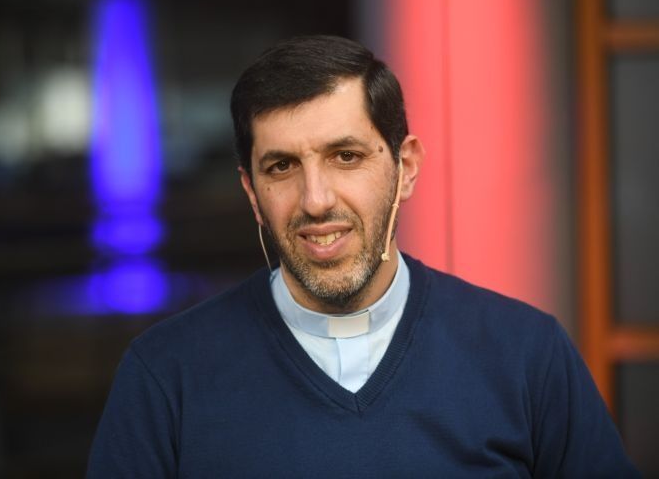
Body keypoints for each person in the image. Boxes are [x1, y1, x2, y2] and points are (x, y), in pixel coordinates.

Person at [87, 35, 637, 477]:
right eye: (282, 167)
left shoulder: (526, 355)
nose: (316, 200)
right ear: (253, 193)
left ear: (406, 169)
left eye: (346, 156)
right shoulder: (166, 375)